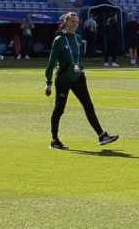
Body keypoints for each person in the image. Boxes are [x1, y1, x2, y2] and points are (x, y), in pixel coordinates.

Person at [44, 12, 119, 151]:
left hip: (78, 77)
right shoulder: (59, 40)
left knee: (88, 105)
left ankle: (102, 135)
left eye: (76, 22)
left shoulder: (78, 38)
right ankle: (54, 140)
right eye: (72, 21)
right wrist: (48, 83)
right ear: (65, 22)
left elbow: (77, 60)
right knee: (59, 110)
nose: (74, 24)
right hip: (64, 79)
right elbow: (51, 63)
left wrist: (80, 69)